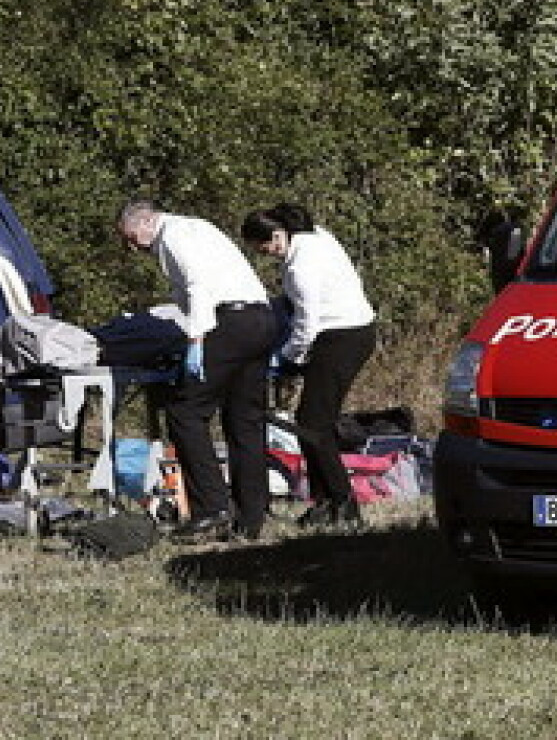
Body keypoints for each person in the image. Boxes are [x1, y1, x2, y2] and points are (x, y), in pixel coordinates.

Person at [117, 199, 278, 542]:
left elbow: (197, 287)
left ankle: (211, 508)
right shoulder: (195, 227)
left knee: (185, 412)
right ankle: (251, 516)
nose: (132, 246)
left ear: (145, 222)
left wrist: (196, 339)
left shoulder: (174, 236)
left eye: (131, 237)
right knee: (244, 421)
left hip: (230, 322)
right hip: (260, 319)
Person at [241, 203, 377, 527]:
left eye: (262, 247)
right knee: (314, 421)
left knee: (313, 423)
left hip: (343, 336)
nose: (263, 253)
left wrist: (288, 357)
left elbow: (307, 323)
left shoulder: (301, 264)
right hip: (346, 332)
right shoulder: (316, 237)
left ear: (276, 236)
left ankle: (344, 503)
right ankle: (324, 501)